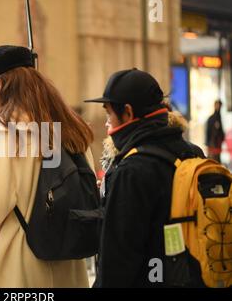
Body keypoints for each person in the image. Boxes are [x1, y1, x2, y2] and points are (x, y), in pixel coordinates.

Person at [0, 45, 93, 287]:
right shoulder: (68, 126)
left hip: (17, 264)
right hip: (65, 258)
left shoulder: (2, 132)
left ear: (1, 83)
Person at [85, 68, 203, 287]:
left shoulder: (132, 170)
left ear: (128, 113)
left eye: (109, 114)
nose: (107, 123)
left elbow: (117, 261)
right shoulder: (193, 153)